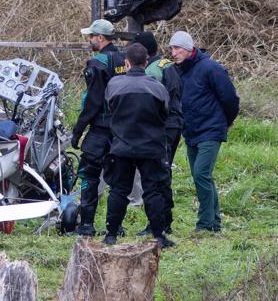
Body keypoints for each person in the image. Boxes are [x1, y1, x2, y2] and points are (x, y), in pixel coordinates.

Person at [102, 43, 174, 248]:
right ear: (146, 62)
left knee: (118, 190)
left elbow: (109, 113)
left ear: (126, 63)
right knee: (153, 190)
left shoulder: (114, 85)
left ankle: (111, 234)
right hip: (151, 146)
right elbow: (165, 115)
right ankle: (159, 235)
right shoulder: (158, 87)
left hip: (122, 146)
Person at [169, 31, 239, 232]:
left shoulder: (211, 68)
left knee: (201, 174)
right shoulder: (178, 70)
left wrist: (227, 121)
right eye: (171, 49)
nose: (173, 53)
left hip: (211, 130)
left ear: (189, 48)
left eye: (177, 48)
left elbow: (230, 98)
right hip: (191, 131)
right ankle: (215, 222)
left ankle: (205, 224)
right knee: (202, 176)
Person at [70, 19, 126, 237]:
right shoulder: (124, 59)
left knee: (89, 175)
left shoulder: (97, 64)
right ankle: (116, 227)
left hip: (101, 130)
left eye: (91, 36)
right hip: (122, 131)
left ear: (100, 38)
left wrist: (78, 130)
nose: (89, 40)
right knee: (119, 179)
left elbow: (93, 102)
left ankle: (86, 226)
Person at [134, 32, 184, 236]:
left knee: (157, 175)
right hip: (174, 125)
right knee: (164, 173)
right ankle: (165, 221)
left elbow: (152, 103)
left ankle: (159, 223)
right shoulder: (166, 64)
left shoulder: (152, 71)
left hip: (162, 127)